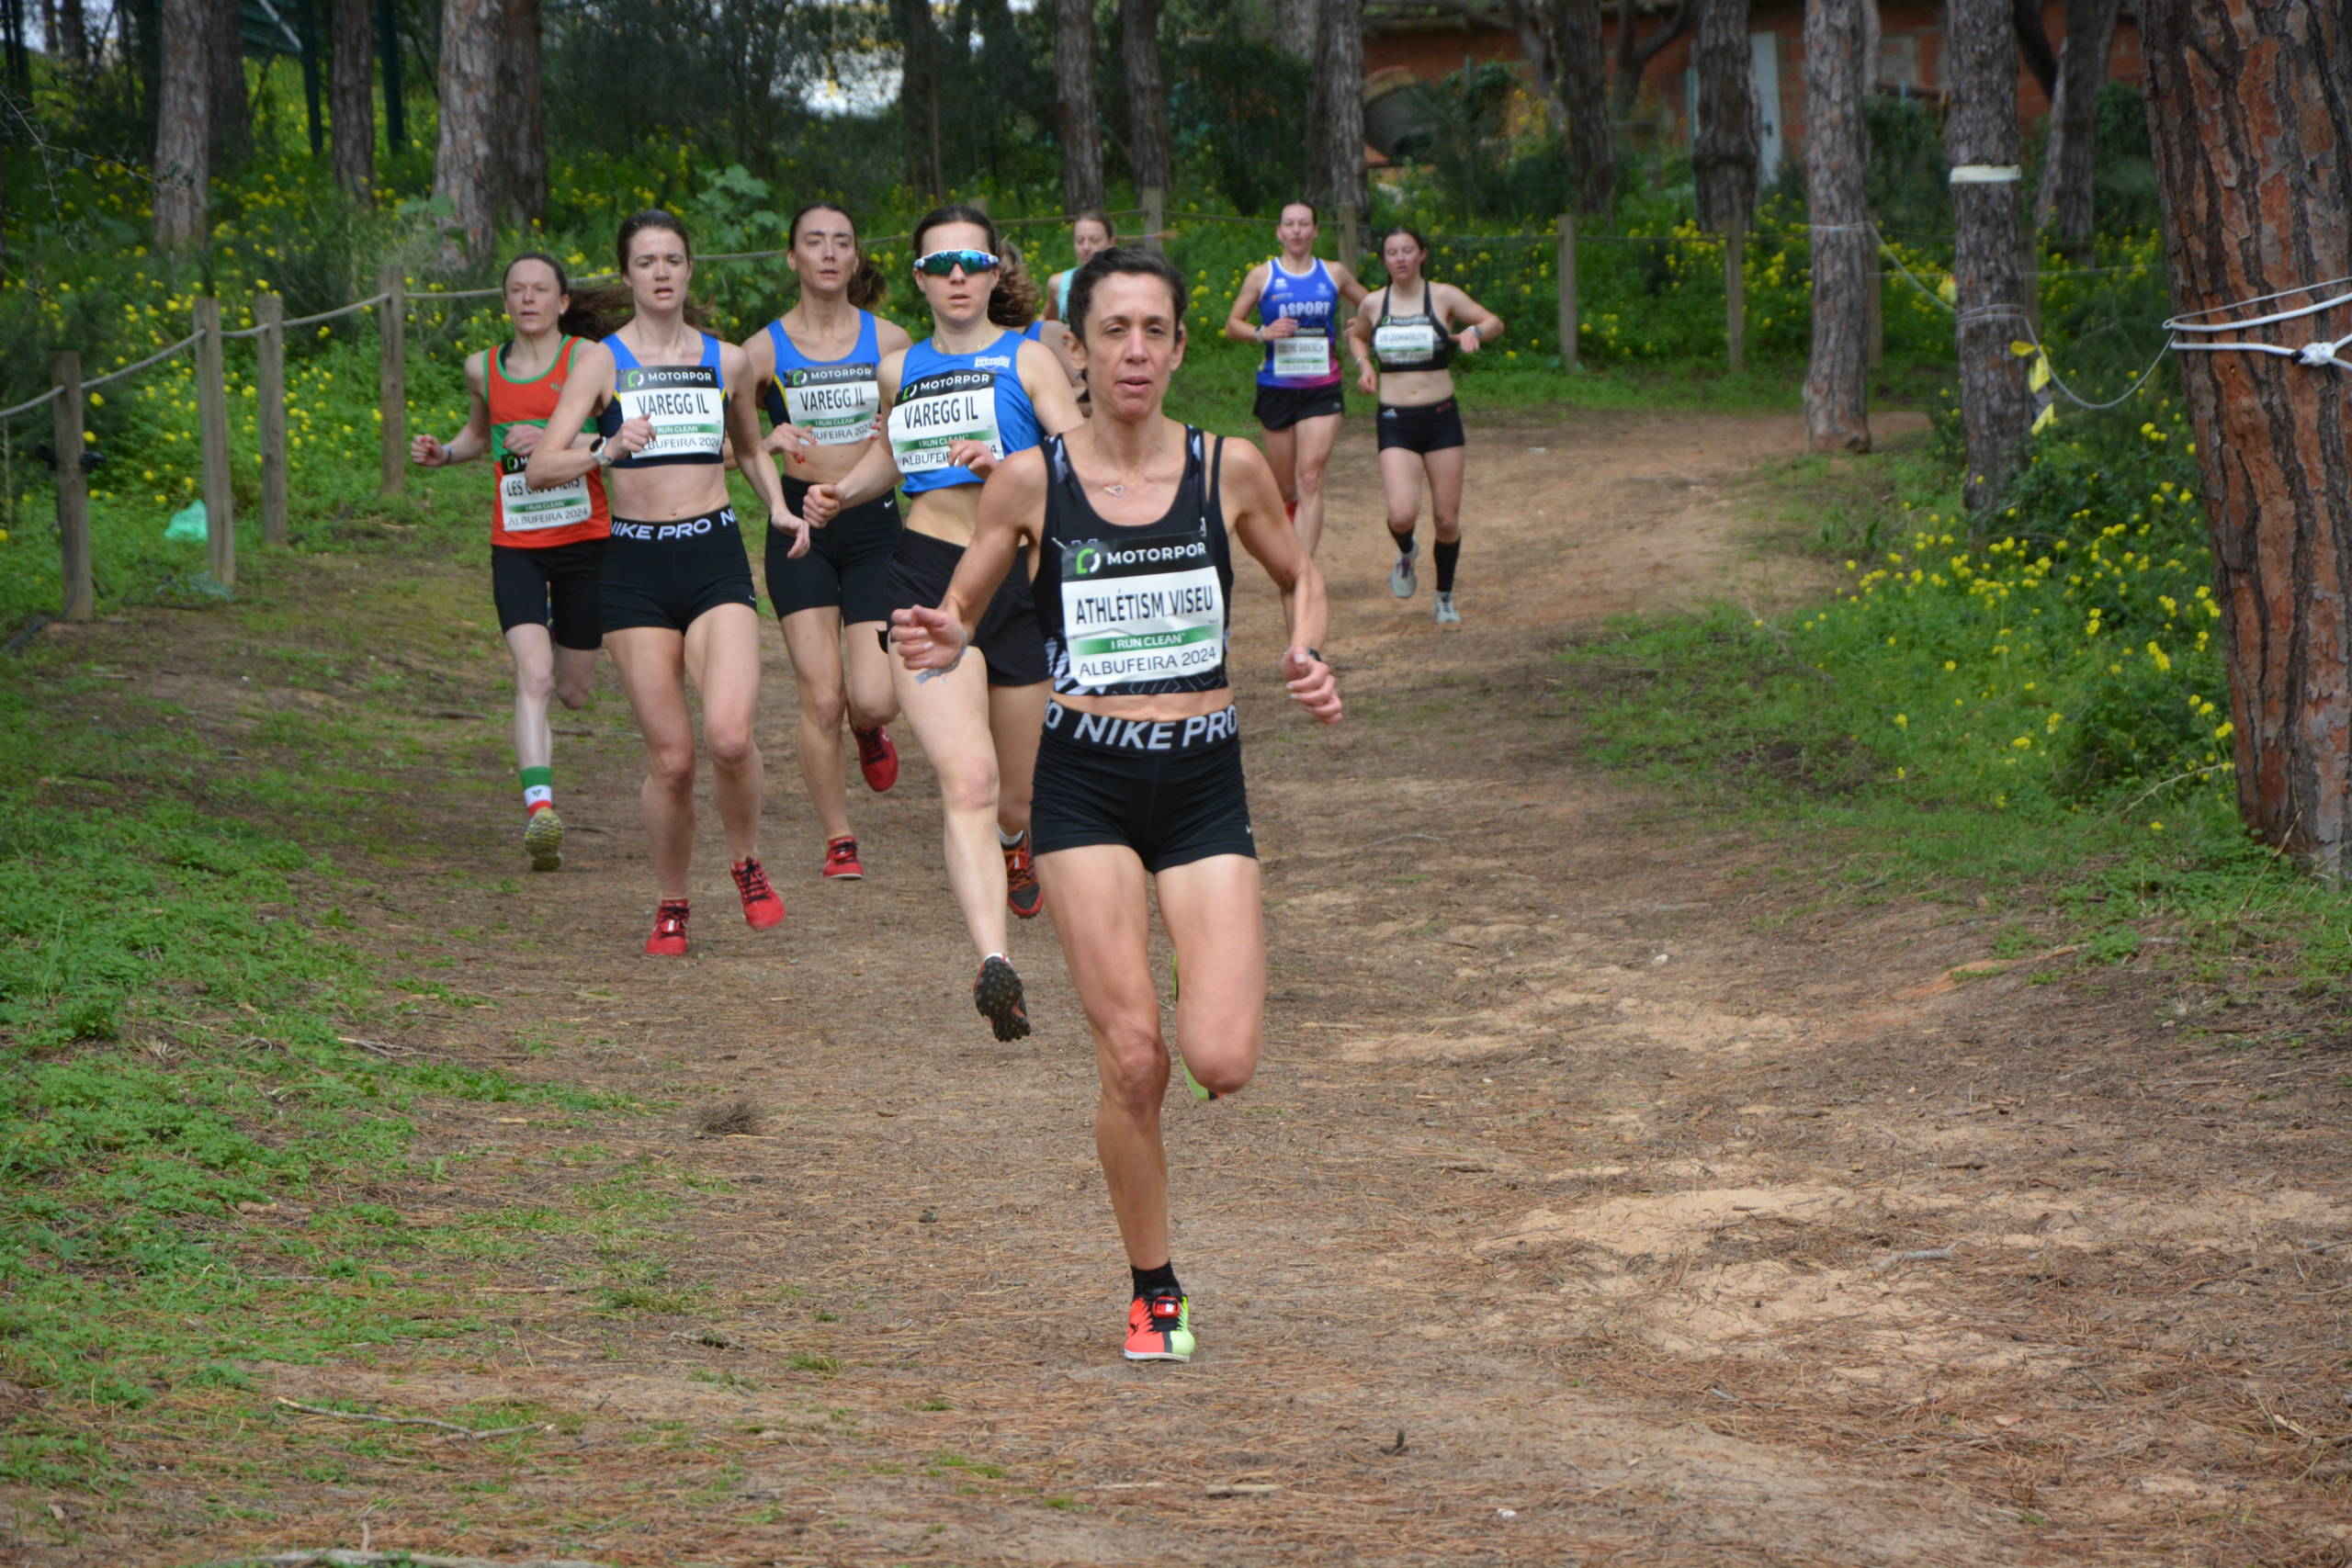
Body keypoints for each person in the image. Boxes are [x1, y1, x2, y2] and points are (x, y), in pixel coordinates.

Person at [891, 246, 1343, 1363]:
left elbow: (1299, 574)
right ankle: (1153, 1287)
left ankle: (1196, 997)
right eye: (1112, 331)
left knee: (1219, 1061)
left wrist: (1304, 649)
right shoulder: (1029, 480)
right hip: (1084, 784)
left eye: (1153, 331)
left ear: (1180, 347)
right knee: (1134, 1058)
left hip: (1201, 782)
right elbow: (962, 603)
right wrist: (944, 632)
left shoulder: (1227, 467)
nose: (1134, 351)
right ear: (1077, 349)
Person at [802, 204, 1084, 1040]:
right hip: (925, 577)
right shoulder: (900, 368)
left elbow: (1084, 463)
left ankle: (1016, 842)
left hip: (1016, 581)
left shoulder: (1029, 358)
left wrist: (1013, 470)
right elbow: (891, 457)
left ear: (995, 272)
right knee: (968, 780)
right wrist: (841, 492)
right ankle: (996, 962)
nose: (957, 276)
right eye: (939, 264)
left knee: (1016, 793)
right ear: (920, 279)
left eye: (972, 261)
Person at [530, 209, 806, 957]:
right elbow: (542, 465)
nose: (661, 272)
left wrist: (779, 507)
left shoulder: (727, 360)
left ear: (689, 269)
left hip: (713, 556)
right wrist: (604, 448)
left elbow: (750, 449)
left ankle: (746, 861)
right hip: (635, 568)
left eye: (673, 259)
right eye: (646, 261)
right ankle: (672, 902)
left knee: (730, 736)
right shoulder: (601, 362)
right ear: (627, 275)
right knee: (675, 760)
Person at [411, 253, 612, 873]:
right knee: (535, 676)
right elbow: (481, 434)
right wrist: (446, 453)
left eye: (540, 290)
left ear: (562, 302)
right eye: (517, 290)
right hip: (518, 545)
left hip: (584, 541)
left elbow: (624, 436)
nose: (528, 299)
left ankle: (553, 637)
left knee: (573, 690)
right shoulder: (482, 368)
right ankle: (539, 813)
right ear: (504, 303)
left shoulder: (587, 359)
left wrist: (556, 438)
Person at [744, 203, 915, 882]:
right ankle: (839, 837)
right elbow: (724, 444)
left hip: (874, 524)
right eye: (813, 242)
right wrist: (764, 442)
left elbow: (910, 442)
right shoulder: (760, 351)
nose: (828, 253)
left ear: (855, 257)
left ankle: (867, 728)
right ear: (793, 257)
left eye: (841, 242)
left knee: (874, 697)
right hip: (799, 529)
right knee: (820, 697)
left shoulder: (892, 341)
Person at [1345, 225, 1505, 627]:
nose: (1400, 258)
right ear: (1384, 260)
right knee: (1401, 515)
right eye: (1392, 252)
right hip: (1395, 420)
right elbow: (1357, 336)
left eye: (1407, 250)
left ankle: (1444, 596)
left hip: (1441, 419)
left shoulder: (1444, 296)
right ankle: (1406, 552)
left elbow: (1494, 322)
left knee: (1447, 519)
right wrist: (1364, 365)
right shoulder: (1373, 303)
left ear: (1422, 255)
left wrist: (1474, 331)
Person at [1222, 201, 1368, 558]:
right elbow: (1232, 325)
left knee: (1310, 479)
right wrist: (1263, 332)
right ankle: (1291, 540)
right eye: (1290, 224)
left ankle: (1303, 571)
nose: (1297, 230)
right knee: (1286, 489)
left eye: (1304, 224)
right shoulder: (1262, 276)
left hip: (1322, 389)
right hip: (1277, 389)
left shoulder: (1334, 273)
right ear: (1279, 232)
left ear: (1316, 231)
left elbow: (1373, 303)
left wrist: (1362, 324)